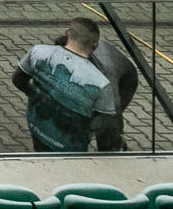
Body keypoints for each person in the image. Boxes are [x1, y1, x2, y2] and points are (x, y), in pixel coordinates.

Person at [11, 15, 119, 152]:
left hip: (36, 126)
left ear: (68, 33)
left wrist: (38, 96)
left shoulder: (38, 51)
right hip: (71, 145)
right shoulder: (102, 84)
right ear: (95, 45)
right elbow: (101, 123)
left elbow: (18, 79)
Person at [87, 25, 140, 152]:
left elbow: (113, 109)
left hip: (124, 81)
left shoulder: (104, 70)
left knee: (105, 127)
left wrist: (116, 137)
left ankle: (112, 150)